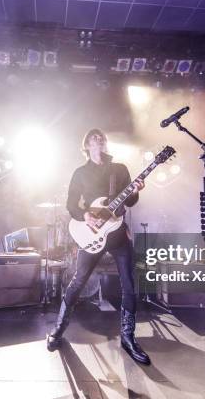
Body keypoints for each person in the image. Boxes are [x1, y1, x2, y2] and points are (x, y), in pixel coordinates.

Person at [46, 129, 150, 365]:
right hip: (92, 232)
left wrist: (135, 192)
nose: (98, 140)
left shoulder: (119, 169)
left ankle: (128, 338)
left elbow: (129, 201)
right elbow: (71, 204)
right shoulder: (80, 173)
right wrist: (86, 216)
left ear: (104, 143)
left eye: (100, 137)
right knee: (78, 281)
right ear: (86, 145)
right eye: (93, 138)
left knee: (130, 283)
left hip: (117, 233)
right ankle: (58, 330)